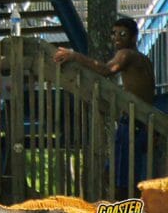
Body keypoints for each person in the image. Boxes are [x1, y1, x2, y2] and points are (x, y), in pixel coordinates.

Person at [53, 17, 155, 198]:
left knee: (123, 180)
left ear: (133, 38)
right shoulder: (143, 59)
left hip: (134, 122)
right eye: (114, 33)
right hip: (137, 121)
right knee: (113, 173)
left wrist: (74, 55)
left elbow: (106, 69)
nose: (117, 37)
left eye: (122, 34)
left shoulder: (127, 54)